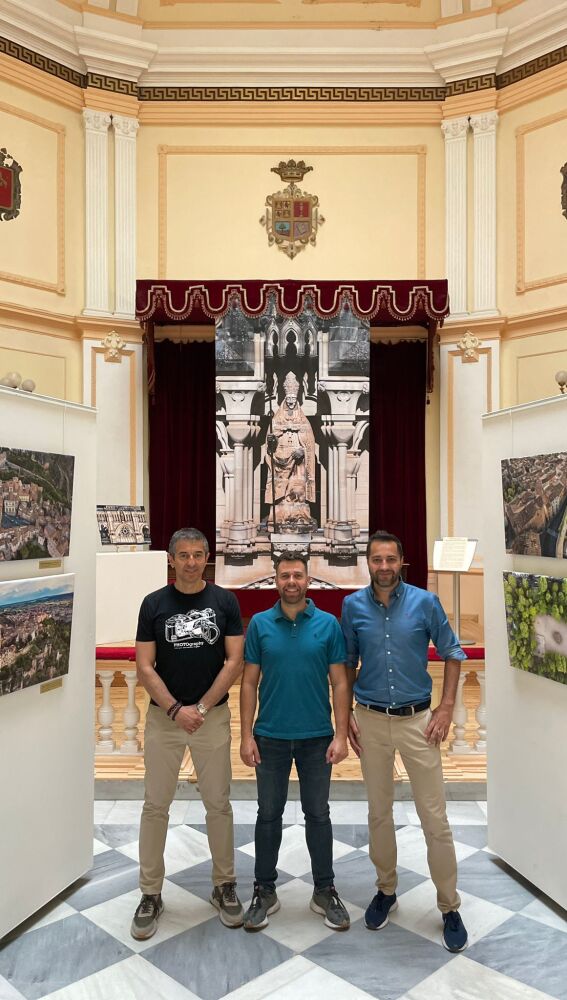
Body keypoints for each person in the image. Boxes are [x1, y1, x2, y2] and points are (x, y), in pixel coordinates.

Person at [341, 530, 469, 953]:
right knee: (379, 813)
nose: (383, 567)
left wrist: (447, 707)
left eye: (390, 560)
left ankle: (449, 906)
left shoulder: (425, 603)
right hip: (372, 721)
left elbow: (452, 653)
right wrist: (344, 719)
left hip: (419, 722)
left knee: (434, 818)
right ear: (368, 562)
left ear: (401, 561)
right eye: (376, 560)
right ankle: (386, 889)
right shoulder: (352, 606)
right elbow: (347, 665)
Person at [131, 527, 244, 940]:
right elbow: (145, 666)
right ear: (171, 559)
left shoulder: (224, 601)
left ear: (207, 558)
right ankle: (150, 893)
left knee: (219, 803)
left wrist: (200, 708)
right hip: (166, 720)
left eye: (199, 554)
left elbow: (234, 661)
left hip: (210, 718)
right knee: (155, 806)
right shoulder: (153, 604)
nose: (192, 561)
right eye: (184, 555)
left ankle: (224, 885)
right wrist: (177, 710)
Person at [240, 551, 351, 932]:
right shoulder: (258, 625)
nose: (291, 581)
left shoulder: (328, 625)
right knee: (267, 815)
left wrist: (340, 733)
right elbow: (249, 682)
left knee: (318, 815)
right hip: (269, 736)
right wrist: (245, 735)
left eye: (298, 575)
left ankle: (324, 890)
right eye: (284, 575)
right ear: (276, 580)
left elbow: (339, 682)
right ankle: (264, 889)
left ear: (308, 580)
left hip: (316, 737)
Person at [265, 372, 316, 530]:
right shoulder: (276, 419)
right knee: (281, 489)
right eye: (289, 399)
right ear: (285, 400)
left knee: (297, 487)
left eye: (294, 398)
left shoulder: (303, 420)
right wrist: (272, 440)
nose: (292, 401)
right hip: (280, 461)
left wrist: (302, 450)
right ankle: (279, 516)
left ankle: (299, 516)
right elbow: (269, 440)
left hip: (298, 462)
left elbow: (309, 442)